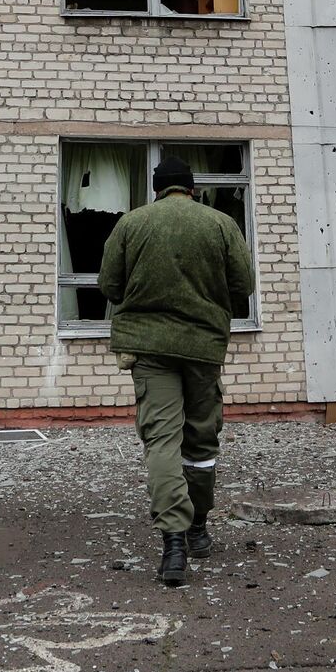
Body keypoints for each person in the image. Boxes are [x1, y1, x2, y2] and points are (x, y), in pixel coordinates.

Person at [97, 155, 255, 586]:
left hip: (149, 349)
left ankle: (173, 544)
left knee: (161, 442)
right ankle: (199, 528)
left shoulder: (131, 224)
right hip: (203, 348)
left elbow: (109, 286)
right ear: (192, 188)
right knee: (201, 440)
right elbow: (244, 286)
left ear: (156, 189)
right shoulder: (221, 224)